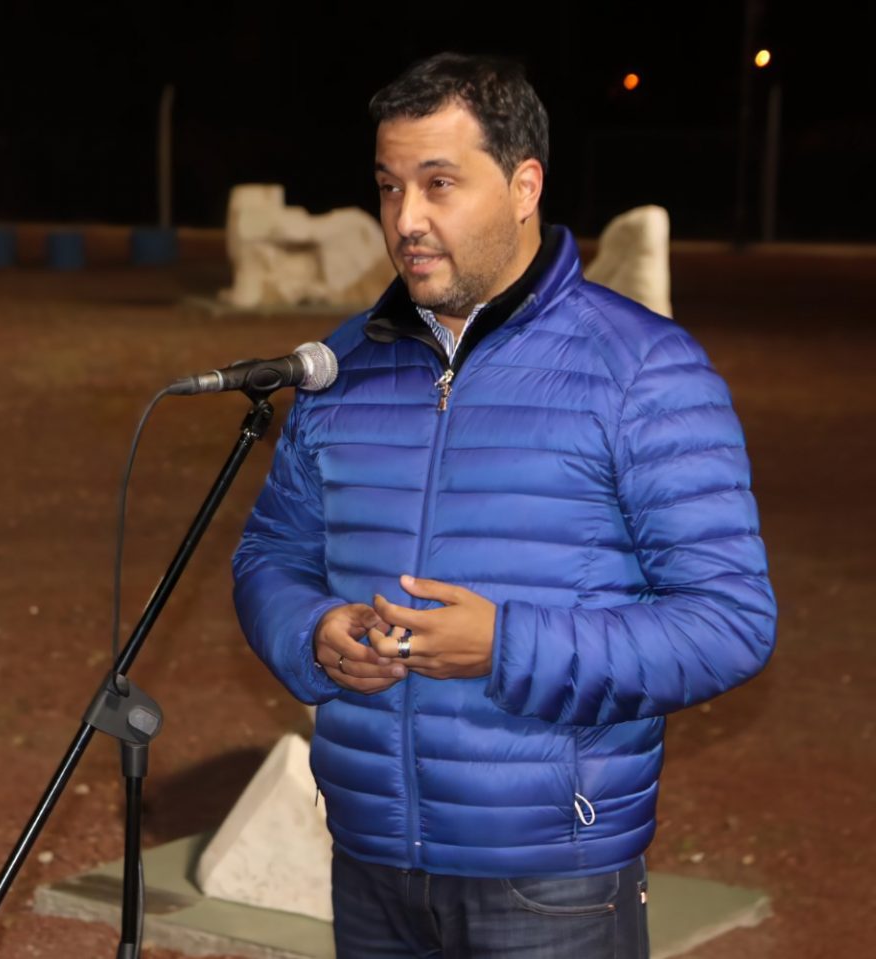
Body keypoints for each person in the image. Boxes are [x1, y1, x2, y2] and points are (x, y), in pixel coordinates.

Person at [231, 52, 775, 959]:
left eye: (439, 184)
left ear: (525, 185)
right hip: (369, 860)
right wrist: (314, 629)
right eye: (390, 186)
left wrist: (506, 645)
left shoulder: (643, 369)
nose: (407, 219)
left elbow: (729, 621)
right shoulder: (342, 367)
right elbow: (269, 556)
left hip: (553, 878)